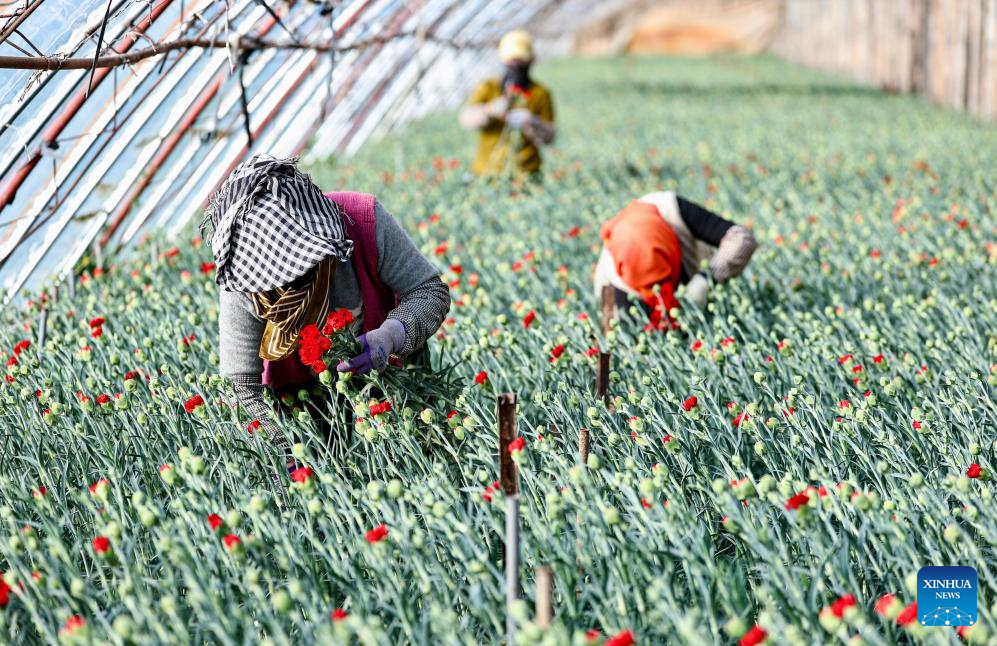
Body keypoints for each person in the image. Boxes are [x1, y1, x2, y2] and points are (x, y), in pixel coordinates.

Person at [201, 155, 450, 468]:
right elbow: (242, 389)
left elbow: (428, 291)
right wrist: (289, 457)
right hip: (305, 407)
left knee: (424, 465)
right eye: (274, 282)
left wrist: (390, 336)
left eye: (300, 271)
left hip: (397, 383)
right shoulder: (241, 275)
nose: (288, 287)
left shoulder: (361, 221)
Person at [594, 191, 757, 329]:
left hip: (715, 316)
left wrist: (707, 278)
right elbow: (615, 347)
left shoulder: (671, 209)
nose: (660, 287)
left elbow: (742, 239)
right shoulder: (612, 283)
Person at [459, 30, 556, 177]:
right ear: (502, 59)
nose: (516, 65)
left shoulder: (540, 93)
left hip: (527, 173)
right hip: (487, 170)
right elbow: (466, 119)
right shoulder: (488, 87)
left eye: (521, 60)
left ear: (531, 60)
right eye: (512, 60)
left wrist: (532, 122)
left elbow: (549, 136)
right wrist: (489, 110)